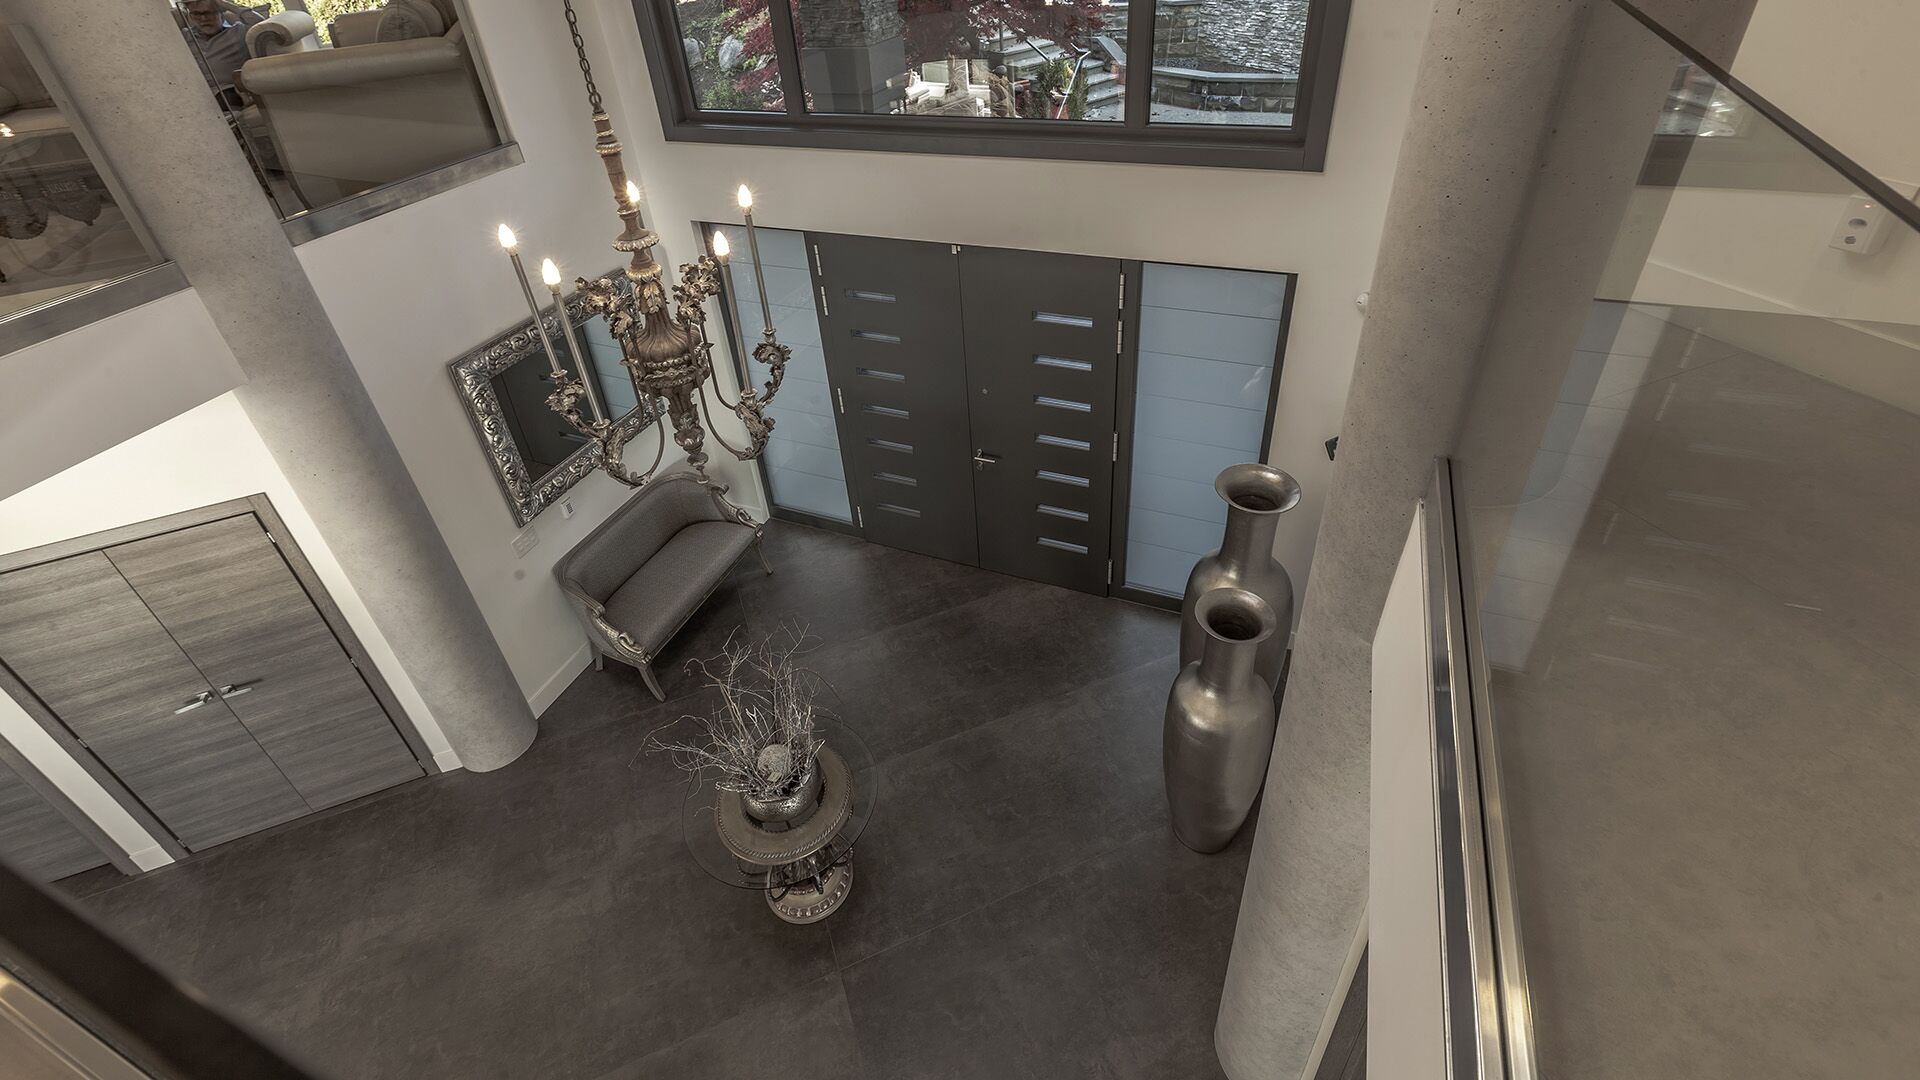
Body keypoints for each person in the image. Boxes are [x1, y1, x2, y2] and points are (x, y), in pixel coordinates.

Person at [180, 0, 265, 107]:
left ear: (222, 13)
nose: (203, 19)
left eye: (209, 13)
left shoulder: (238, 32)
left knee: (224, 99)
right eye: (196, 14)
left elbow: (260, 24)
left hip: (229, 92)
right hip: (194, 92)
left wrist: (225, 4)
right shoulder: (184, 36)